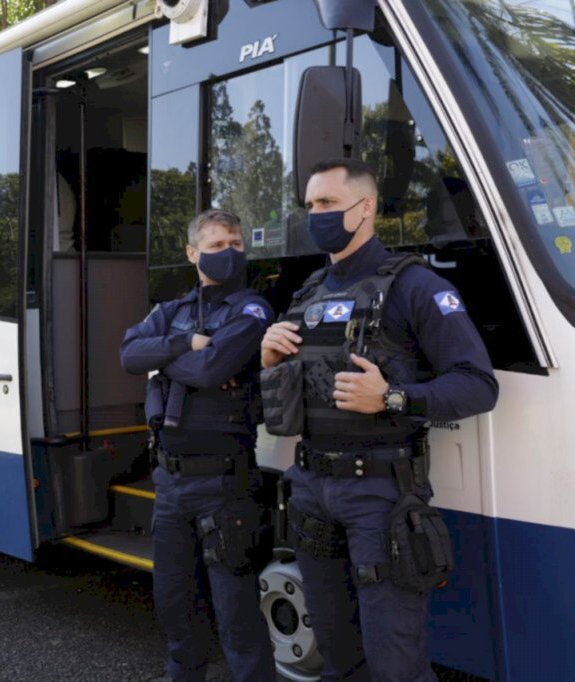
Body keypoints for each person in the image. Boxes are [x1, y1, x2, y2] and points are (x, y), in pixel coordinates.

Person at [260, 158, 499, 681]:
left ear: (364, 207)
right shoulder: (309, 293)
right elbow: (294, 392)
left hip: (380, 497)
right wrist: (271, 359)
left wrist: (391, 398)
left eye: (326, 203)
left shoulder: (415, 287)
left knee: (395, 664)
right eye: (310, 205)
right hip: (310, 491)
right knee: (338, 655)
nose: (315, 214)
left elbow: (479, 384)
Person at [120, 209, 276, 682]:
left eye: (234, 243)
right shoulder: (173, 311)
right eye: (215, 245)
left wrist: (165, 359)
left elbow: (211, 370)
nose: (227, 252)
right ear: (192, 254)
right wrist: (188, 343)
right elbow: (128, 354)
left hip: (225, 483)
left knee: (237, 619)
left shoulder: (252, 309)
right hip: (169, 484)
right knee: (175, 607)